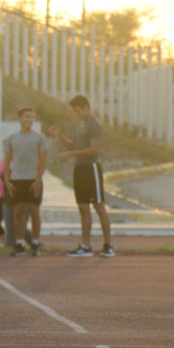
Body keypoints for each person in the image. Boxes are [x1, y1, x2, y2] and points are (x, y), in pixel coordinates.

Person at [49, 95, 115, 258]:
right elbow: (73, 145)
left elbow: (93, 150)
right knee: (83, 208)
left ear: (86, 107)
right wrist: (60, 135)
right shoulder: (80, 125)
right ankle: (85, 246)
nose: (76, 114)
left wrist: (70, 154)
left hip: (91, 168)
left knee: (99, 207)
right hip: (79, 169)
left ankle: (108, 246)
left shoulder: (95, 125)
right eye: (74, 112)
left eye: (78, 111)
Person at [3, 107, 49, 257]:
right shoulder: (12, 139)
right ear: (20, 119)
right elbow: (6, 162)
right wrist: (7, 181)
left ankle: (35, 244)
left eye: (32, 117)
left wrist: (38, 179)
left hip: (33, 180)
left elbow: (43, 161)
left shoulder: (40, 138)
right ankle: (19, 244)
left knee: (35, 212)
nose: (29, 119)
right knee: (18, 213)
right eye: (26, 117)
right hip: (16, 180)